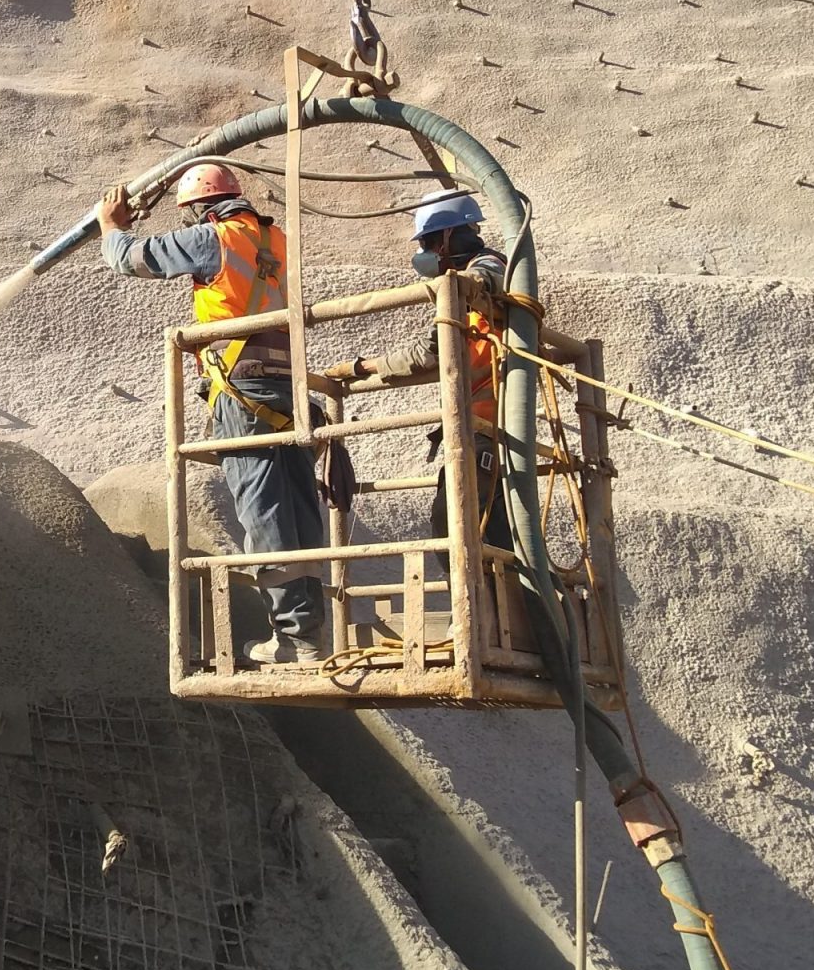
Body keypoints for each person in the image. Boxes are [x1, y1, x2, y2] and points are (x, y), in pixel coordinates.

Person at [98, 162, 331, 665]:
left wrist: (113, 227)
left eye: (188, 216)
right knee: (298, 507)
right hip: (286, 389)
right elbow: (245, 305)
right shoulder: (276, 238)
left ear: (200, 208)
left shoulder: (215, 237)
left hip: (243, 391)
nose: (188, 225)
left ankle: (294, 638)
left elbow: (132, 259)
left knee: (262, 508)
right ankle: (312, 632)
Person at [326, 190, 512, 553]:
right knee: (487, 537)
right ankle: (512, 607)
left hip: (487, 428)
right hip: (481, 429)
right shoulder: (459, 292)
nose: (425, 253)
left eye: (427, 242)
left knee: (456, 532)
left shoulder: (483, 271)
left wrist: (467, 284)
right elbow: (431, 352)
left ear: (447, 237)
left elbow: (429, 351)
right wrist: (362, 368)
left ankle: (493, 608)